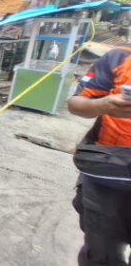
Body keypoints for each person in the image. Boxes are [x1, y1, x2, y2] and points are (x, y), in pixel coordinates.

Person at [67, 47, 131, 266]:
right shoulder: (119, 57)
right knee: (100, 252)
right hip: (108, 172)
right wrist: (103, 105)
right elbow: (76, 104)